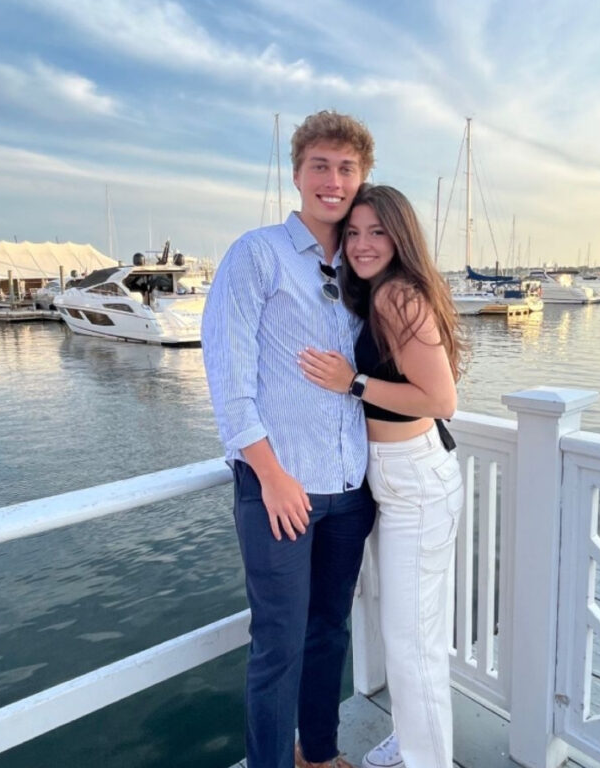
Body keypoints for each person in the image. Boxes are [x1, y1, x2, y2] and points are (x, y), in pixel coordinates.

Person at [201, 111, 376, 768]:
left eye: (347, 168)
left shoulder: (362, 263)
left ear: (362, 177)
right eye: (321, 166)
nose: (333, 181)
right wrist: (271, 476)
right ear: (298, 172)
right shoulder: (258, 253)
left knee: (329, 632)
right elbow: (227, 373)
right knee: (279, 645)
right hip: (282, 485)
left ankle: (320, 754)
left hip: (350, 488)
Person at [298, 184, 465, 768]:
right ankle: (417, 737)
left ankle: (429, 758)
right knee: (410, 634)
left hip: (416, 482)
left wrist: (354, 382)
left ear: (400, 236)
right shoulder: (380, 294)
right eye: (354, 232)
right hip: (397, 480)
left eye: (377, 231)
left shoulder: (396, 296)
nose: (363, 244)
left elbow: (441, 398)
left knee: (411, 641)